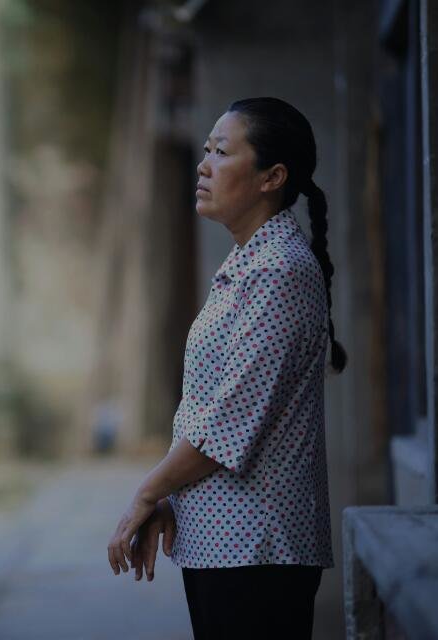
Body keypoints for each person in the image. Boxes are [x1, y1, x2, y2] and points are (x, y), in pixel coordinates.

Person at [106, 96, 347, 640]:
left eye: (221, 151)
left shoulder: (280, 271)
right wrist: (171, 492)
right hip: (224, 546)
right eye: (206, 150)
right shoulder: (248, 261)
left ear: (272, 177)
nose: (203, 165)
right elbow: (208, 409)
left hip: (257, 550)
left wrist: (147, 492)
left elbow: (227, 425)